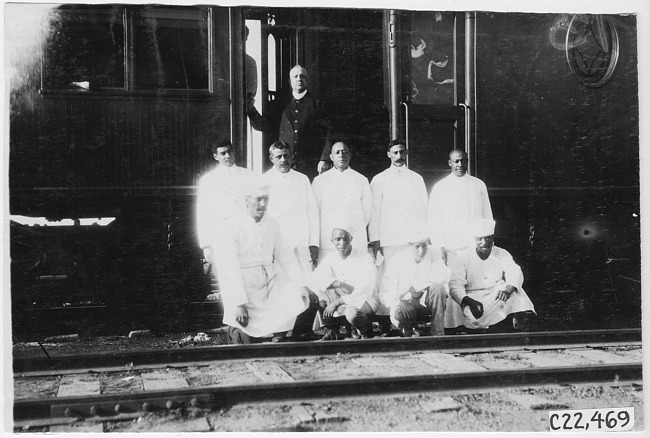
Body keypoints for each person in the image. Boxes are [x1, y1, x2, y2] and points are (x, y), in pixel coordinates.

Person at [212, 180, 319, 344]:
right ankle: (237, 332)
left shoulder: (272, 224)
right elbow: (229, 270)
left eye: (266, 199)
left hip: (269, 284)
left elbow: (286, 258)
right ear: (246, 200)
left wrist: (301, 285)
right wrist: (239, 304)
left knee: (305, 298)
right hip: (244, 288)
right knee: (243, 339)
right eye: (258, 199)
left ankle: (288, 338)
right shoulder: (232, 227)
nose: (262, 204)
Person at [427, 148, 493, 331]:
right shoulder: (440, 187)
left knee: (474, 281)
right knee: (454, 282)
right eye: (456, 161)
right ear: (449, 163)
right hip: (451, 244)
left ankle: (475, 322)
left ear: (468, 161)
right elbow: (433, 219)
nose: (460, 165)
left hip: (473, 243)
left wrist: (485, 242)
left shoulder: (478, 185)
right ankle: (453, 325)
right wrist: (439, 244)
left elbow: (487, 215)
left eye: (463, 161)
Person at [448, 218, 536, 332]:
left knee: (517, 292)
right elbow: (455, 284)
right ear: (475, 239)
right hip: (473, 298)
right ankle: (495, 327)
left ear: (493, 238)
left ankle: (520, 321)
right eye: (480, 239)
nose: (484, 243)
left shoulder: (501, 253)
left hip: (497, 294)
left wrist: (507, 290)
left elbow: (514, 271)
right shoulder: (463, 257)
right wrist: (468, 301)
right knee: (475, 322)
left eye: (488, 238)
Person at [261, 140, 320, 281]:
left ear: (292, 156)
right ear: (271, 159)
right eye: (278, 156)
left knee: (305, 283)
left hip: (301, 243)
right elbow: (262, 216)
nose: (283, 160)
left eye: (286, 156)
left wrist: (313, 243)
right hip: (277, 245)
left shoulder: (302, 179)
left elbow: (312, 212)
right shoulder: (264, 180)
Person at [377, 224, 449, 337]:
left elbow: (443, 275)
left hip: (426, 303)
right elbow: (385, 293)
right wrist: (400, 303)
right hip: (406, 304)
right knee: (399, 314)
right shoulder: (397, 260)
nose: (421, 251)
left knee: (438, 288)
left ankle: (438, 333)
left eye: (424, 245)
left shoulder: (433, 252)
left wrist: (413, 286)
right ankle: (408, 333)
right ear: (409, 245)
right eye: (417, 246)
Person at [310, 225, 377, 340]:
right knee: (319, 295)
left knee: (352, 314)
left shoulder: (364, 258)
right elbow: (317, 278)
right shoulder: (330, 257)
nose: (342, 243)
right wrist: (339, 284)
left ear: (351, 239)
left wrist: (337, 302)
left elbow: (365, 288)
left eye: (345, 239)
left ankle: (363, 329)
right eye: (338, 239)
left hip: (363, 299)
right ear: (332, 241)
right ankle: (333, 330)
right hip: (342, 299)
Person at [368, 139, 429, 264]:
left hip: (412, 240)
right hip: (390, 239)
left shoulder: (417, 179)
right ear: (388, 154)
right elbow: (374, 212)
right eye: (395, 153)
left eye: (402, 152)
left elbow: (423, 210)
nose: (399, 156)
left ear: (406, 153)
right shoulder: (380, 179)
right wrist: (376, 239)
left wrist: (423, 237)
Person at [195, 140, 252, 270]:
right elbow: (203, 213)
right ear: (216, 156)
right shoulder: (209, 180)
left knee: (248, 276)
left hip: (246, 235)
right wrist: (206, 245)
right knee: (228, 276)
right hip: (222, 235)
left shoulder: (249, 176)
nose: (227, 156)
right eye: (223, 153)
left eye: (229, 151)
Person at [312, 140, 372, 261]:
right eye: (337, 152)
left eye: (345, 152)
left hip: (354, 238)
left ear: (350, 155)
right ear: (331, 157)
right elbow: (315, 212)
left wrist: (351, 226)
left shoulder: (361, 180)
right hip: (328, 239)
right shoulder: (320, 181)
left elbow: (367, 211)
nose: (341, 155)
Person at [278, 65, 332, 179]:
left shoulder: (318, 104)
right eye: (295, 76)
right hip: (286, 165)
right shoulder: (281, 104)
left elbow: (330, 132)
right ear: (290, 81)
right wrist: (250, 108)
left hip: (311, 165)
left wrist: (324, 158)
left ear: (308, 80)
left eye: (302, 76)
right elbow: (265, 126)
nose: (299, 79)